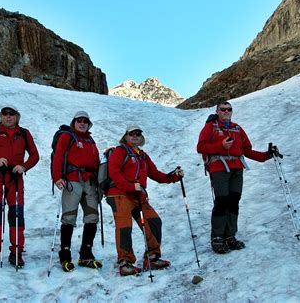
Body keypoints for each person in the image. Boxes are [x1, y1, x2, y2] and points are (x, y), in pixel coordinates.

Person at [197, 101, 275, 254]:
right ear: (217, 111)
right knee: (222, 201)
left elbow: (247, 150)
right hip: (219, 167)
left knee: (234, 201)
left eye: (229, 109)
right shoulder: (210, 127)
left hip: (237, 169)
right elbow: (200, 147)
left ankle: (229, 235)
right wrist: (221, 146)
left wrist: (267, 155)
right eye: (223, 109)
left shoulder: (237, 128)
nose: (226, 111)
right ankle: (217, 237)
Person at [106, 125, 184, 276]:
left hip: (138, 196)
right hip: (119, 194)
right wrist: (130, 186)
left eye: (138, 134)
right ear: (126, 136)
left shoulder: (143, 156)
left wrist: (174, 176)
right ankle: (125, 262)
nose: (135, 136)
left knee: (154, 221)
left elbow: (155, 174)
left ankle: (152, 257)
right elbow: (114, 173)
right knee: (124, 227)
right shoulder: (119, 152)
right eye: (132, 134)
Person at [0, 105, 39, 267]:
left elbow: (34, 155)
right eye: (5, 114)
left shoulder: (24, 134)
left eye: (11, 114)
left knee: (16, 214)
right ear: (1, 116)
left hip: (15, 177)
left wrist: (24, 166)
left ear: (17, 117)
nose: (8, 117)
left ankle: (16, 251)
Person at [52, 111, 101, 272]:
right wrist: (57, 177)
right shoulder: (67, 136)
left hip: (89, 182)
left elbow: (96, 161)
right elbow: (58, 156)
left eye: (85, 121)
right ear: (74, 122)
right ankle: (65, 255)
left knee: (92, 217)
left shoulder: (90, 139)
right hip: (72, 180)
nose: (82, 123)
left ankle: (86, 254)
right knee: (69, 218)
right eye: (79, 121)